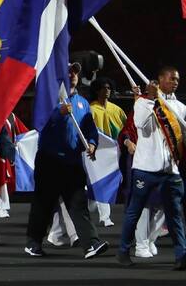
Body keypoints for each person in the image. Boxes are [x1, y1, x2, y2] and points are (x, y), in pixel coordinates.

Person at [24, 62, 108, 259]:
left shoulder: (82, 102)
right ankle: (33, 243)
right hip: (49, 161)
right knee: (44, 205)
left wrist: (92, 143)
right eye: (68, 71)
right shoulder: (47, 100)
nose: (72, 75)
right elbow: (38, 124)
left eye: (75, 72)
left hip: (72, 162)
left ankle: (91, 244)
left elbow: (90, 129)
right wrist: (58, 113)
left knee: (78, 204)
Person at [116, 67, 186, 269]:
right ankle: (123, 251)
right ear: (160, 80)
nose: (175, 82)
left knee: (174, 215)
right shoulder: (142, 103)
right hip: (145, 169)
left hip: (170, 171)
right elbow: (142, 126)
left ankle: (181, 255)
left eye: (177, 79)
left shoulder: (180, 108)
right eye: (171, 79)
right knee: (135, 212)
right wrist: (151, 100)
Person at [89, 77, 126, 227]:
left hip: (115, 152)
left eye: (109, 88)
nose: (107, 90)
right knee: (102, 182)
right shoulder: (91, 109)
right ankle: (105, 217)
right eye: (104, 88)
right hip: (97, 151)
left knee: (107, 182)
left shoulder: (116, 110)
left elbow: (125, 128)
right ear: (97, 90)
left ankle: (90, 202)